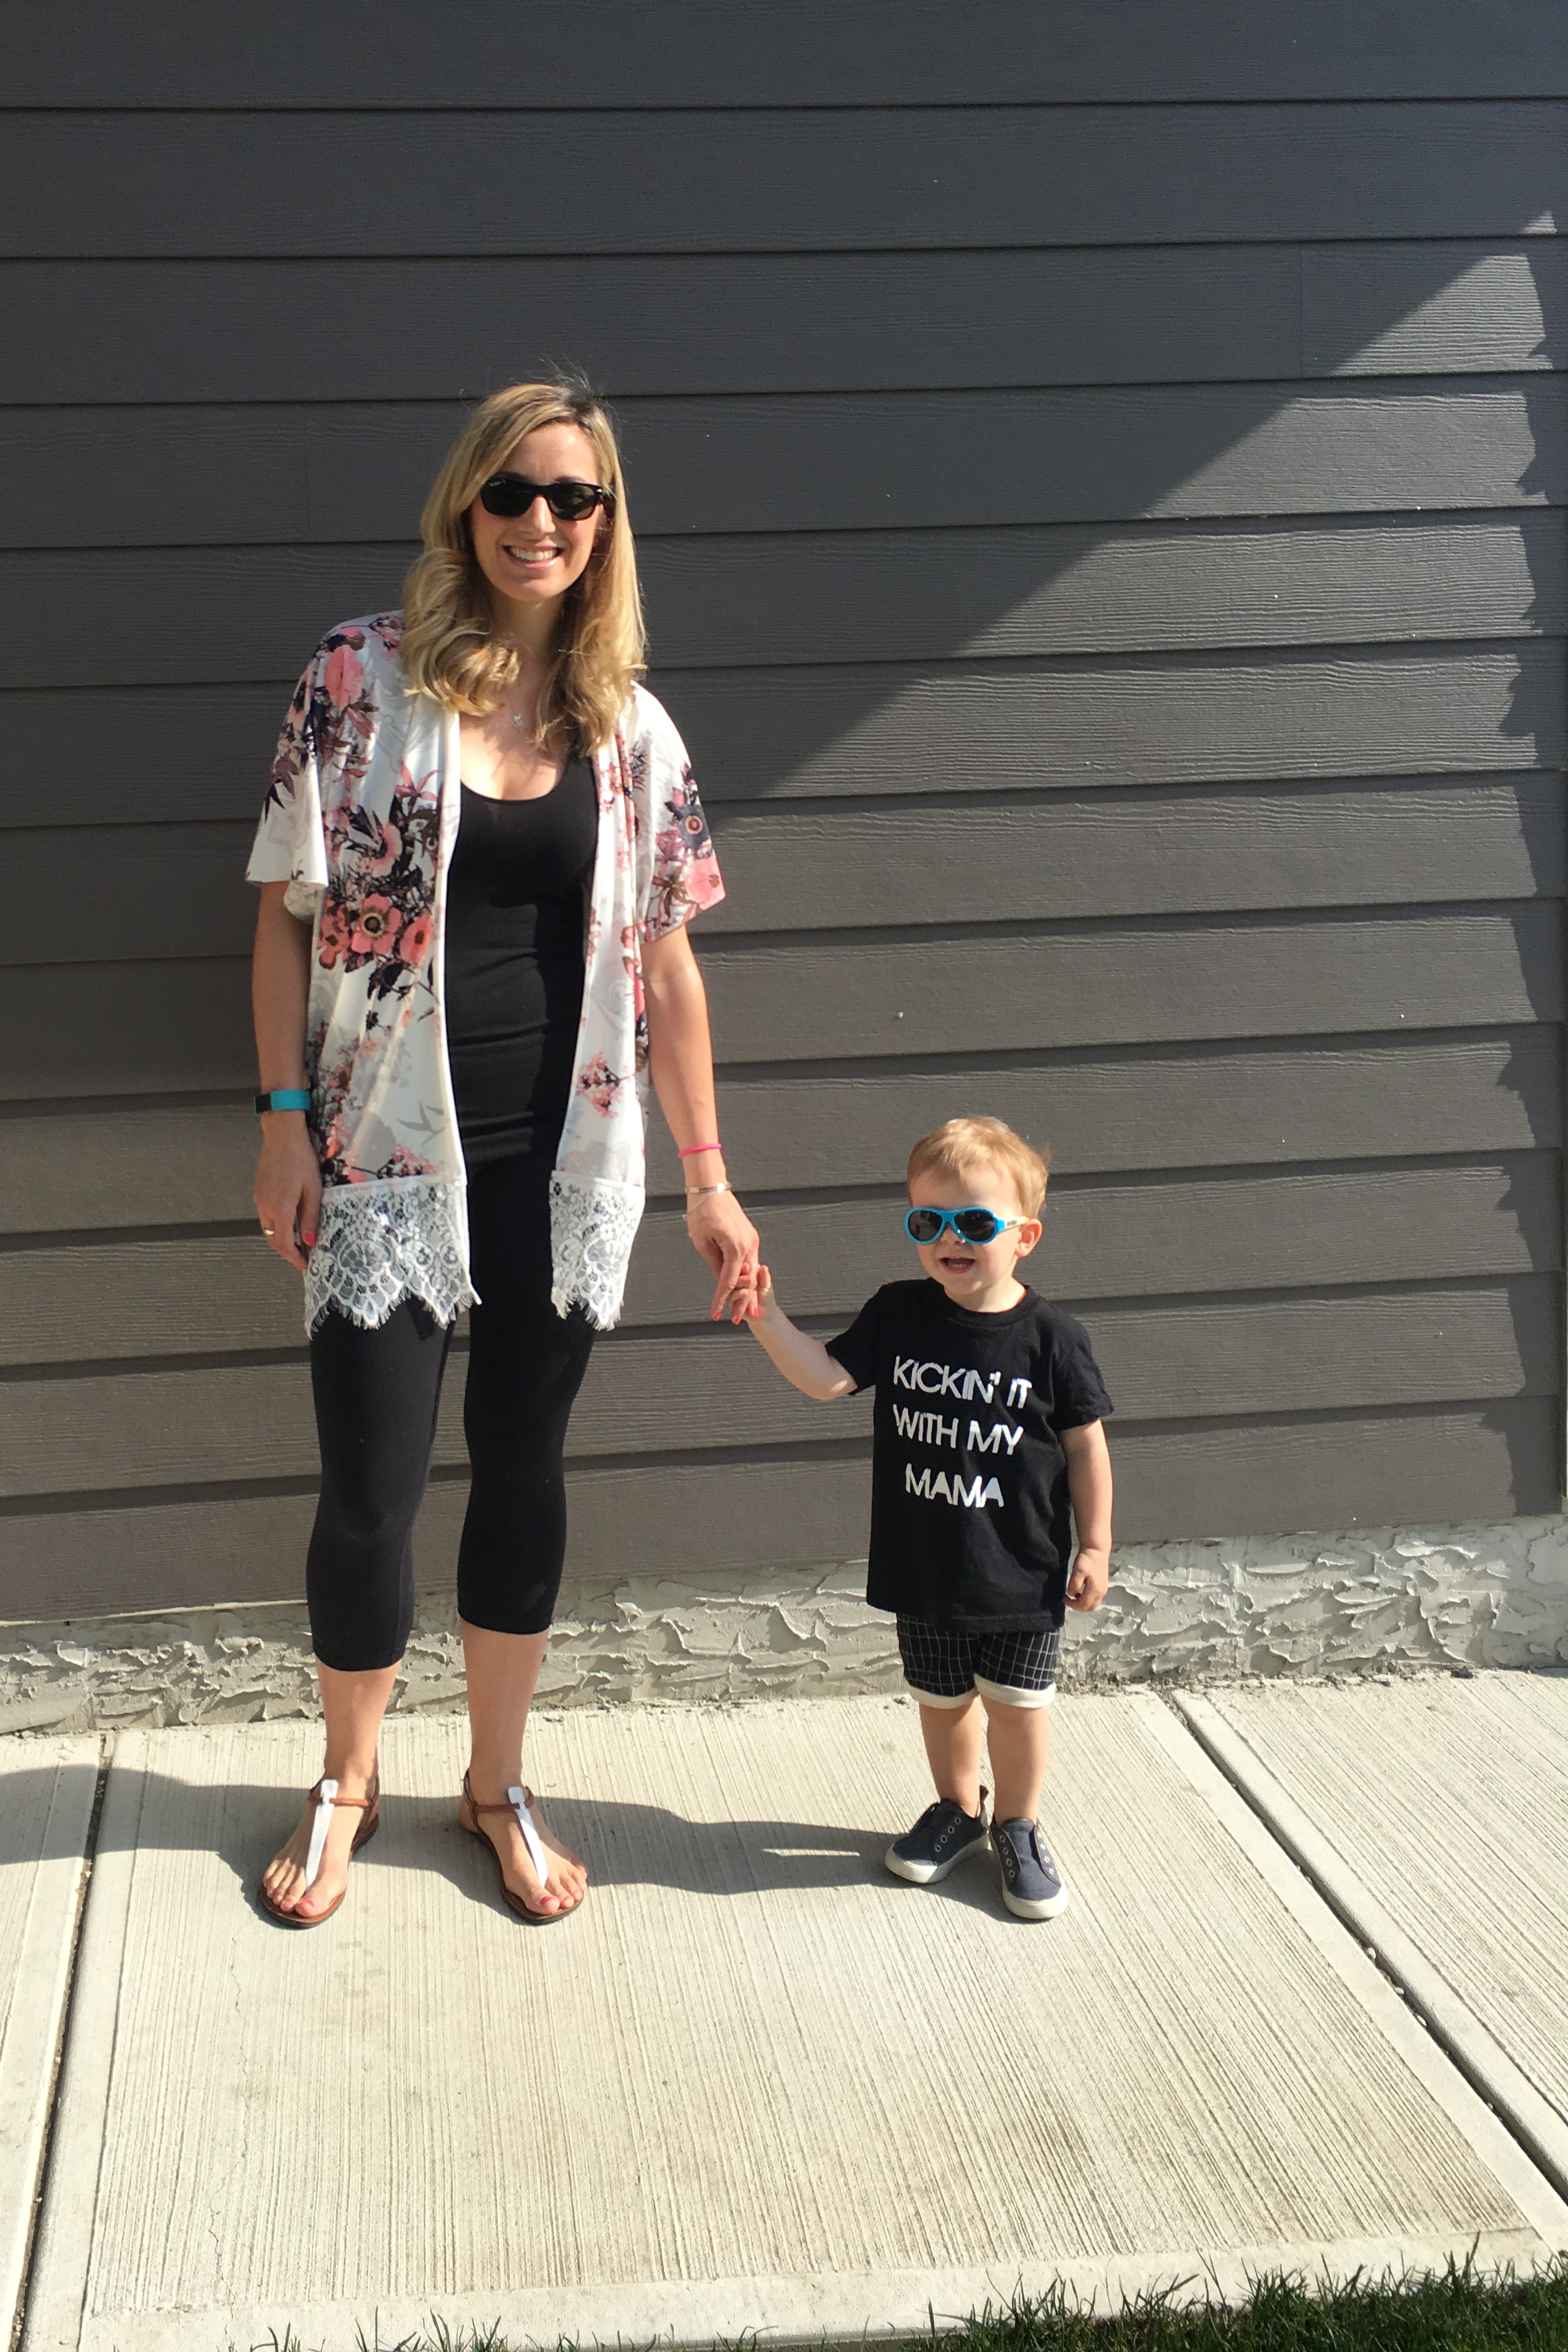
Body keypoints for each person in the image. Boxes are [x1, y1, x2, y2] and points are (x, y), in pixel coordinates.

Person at [246, 379, 761, 1927]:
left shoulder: (631, 728)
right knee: (371, 1487)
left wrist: (712, 1179)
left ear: (607, 524)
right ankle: (349, 1780)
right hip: (383, 1156)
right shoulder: (359, 677)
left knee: (525, 1470)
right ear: (466, 506)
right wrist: (281, 1123)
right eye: (515, 492)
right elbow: (280, 919)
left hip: (563, 1154)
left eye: (576, 498)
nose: (543, 521)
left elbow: (669, 970)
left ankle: (495, 1784)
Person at [735, 1115, 1113, 1920]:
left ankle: (1018, 1825)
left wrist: (1096, 1545)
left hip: (1021, 1568)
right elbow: (828, 1378)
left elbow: (1086, 1446)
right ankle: (959, 1811)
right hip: (925, 1563)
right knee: (941, 1705)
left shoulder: (1053, 1339)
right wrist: (766, 1313)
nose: (950, 1238)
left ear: (1024, 1237)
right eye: (927, 1222)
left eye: (974, 1222)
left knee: (1016, 1709)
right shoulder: (899, 1312)